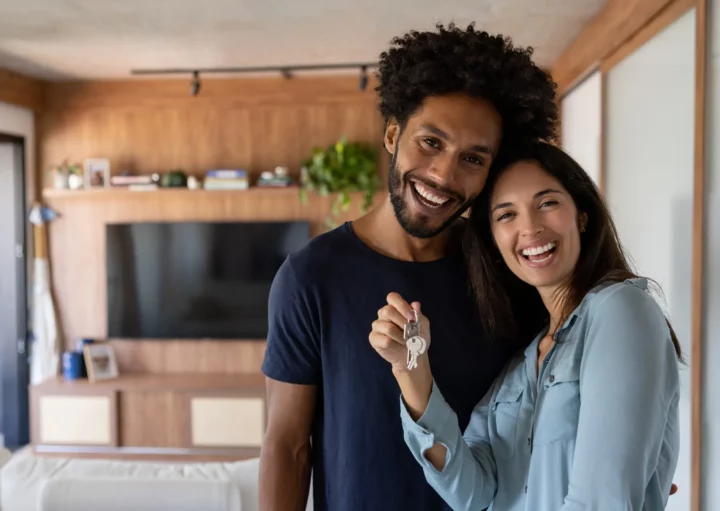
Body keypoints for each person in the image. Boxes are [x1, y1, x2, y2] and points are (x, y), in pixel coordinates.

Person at [258, 23, 558, 511]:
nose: (443, 175)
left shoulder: (508, 270)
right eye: (431, 142)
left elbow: (550, 406)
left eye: (473, 159)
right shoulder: (312, 276)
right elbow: (287, 445)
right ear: (393, 133)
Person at [369, 141, 683, 510]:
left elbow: (602, 502)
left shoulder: (619, 309)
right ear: (495, 242)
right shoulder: (522, 364)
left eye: (547, 203)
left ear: (582, 215)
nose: (530, 227)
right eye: (506, 215)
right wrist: (412, 369)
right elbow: (471, 493)